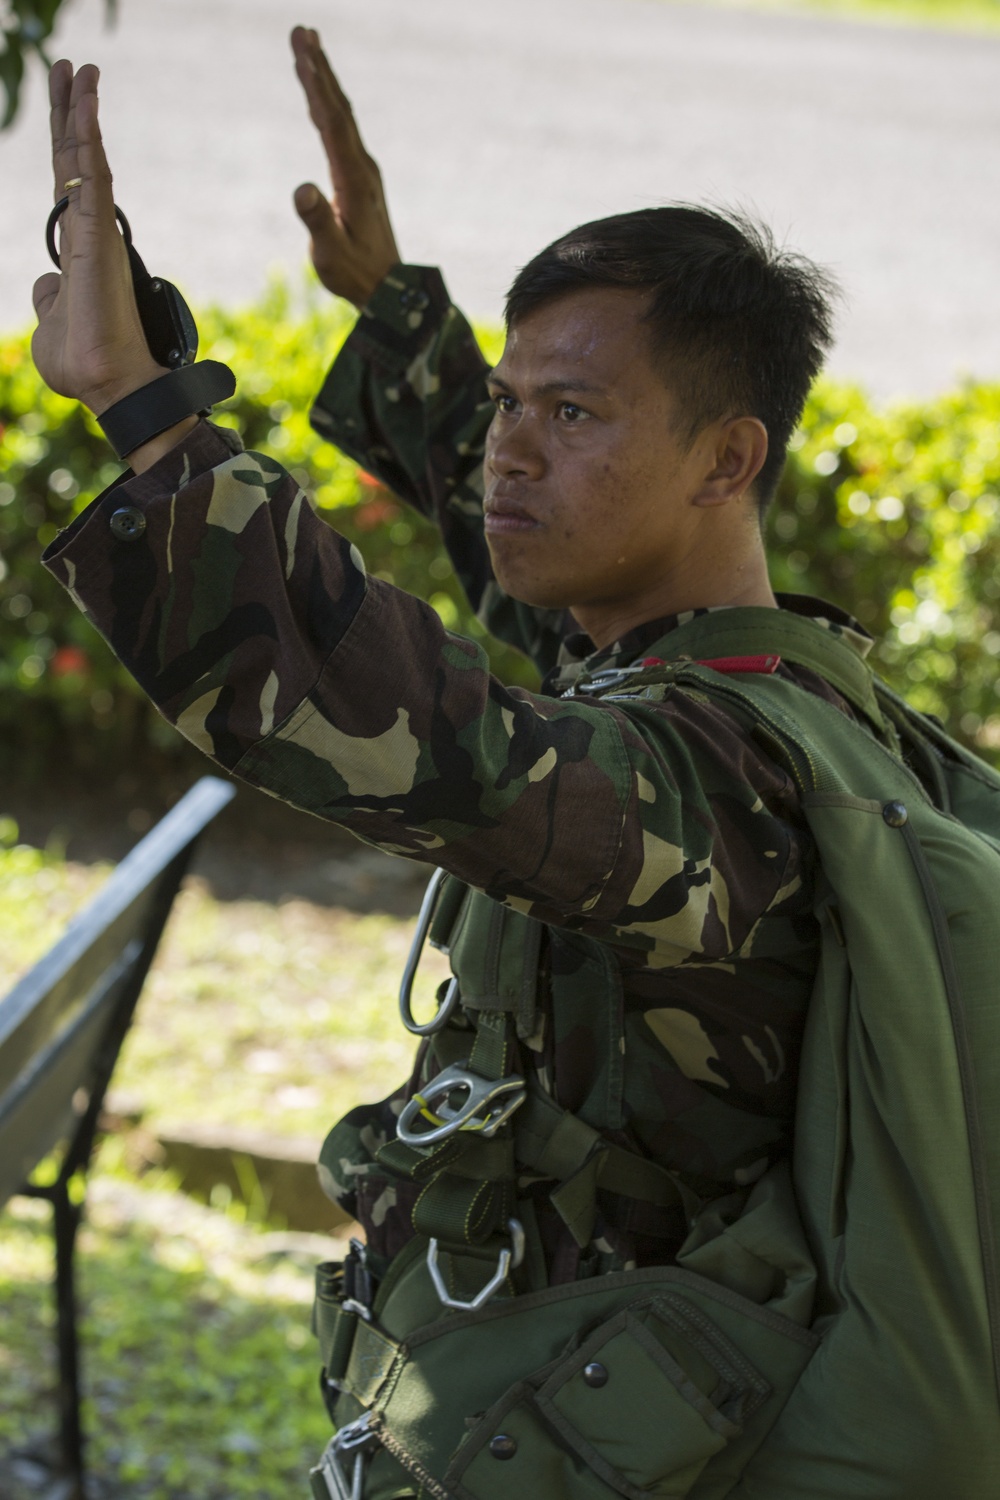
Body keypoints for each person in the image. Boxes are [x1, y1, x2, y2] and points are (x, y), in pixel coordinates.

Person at [31, 31, 940, 1500]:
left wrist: (149, 419)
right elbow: (520, 546)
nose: (511, 451)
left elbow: (430, 734)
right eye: (510, 403)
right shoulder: (703, 659)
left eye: (568, 412)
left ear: (726, 459)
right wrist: (393, 313)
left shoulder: (718, 779)